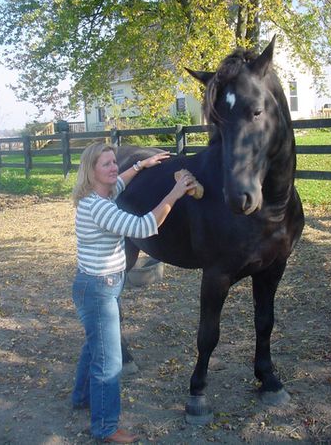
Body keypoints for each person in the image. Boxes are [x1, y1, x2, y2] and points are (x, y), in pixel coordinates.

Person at [71, 142, 196, 443]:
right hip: (99, 289)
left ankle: (80, 397)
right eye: (106, 165)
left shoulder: (100, 194)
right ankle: (106, 427)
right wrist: (175, 192)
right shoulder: (98, 206)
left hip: (99, 285)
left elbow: (121, 182)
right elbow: (144, 226)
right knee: (109, 362)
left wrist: (142, 165)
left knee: (94, 346)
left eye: (115, 162)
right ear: (92, 171)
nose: (114, 168)